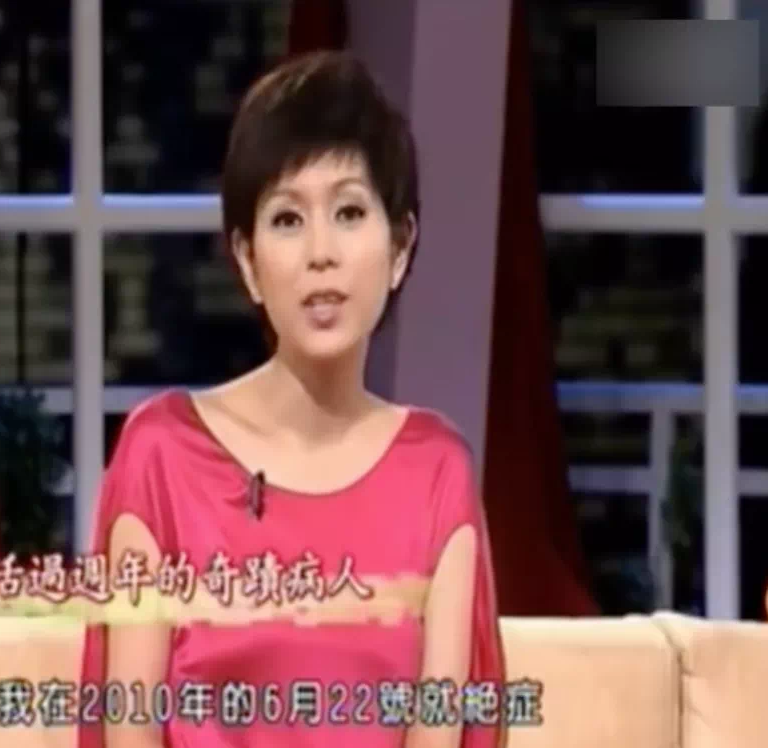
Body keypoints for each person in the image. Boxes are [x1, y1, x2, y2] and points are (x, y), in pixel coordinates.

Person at [79, 50, 506, 748]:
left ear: (399, 248)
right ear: (248, 261)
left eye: (349, 212)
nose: (320, 253)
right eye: (286, 220)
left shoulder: (438, 473)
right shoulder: (162, 457)